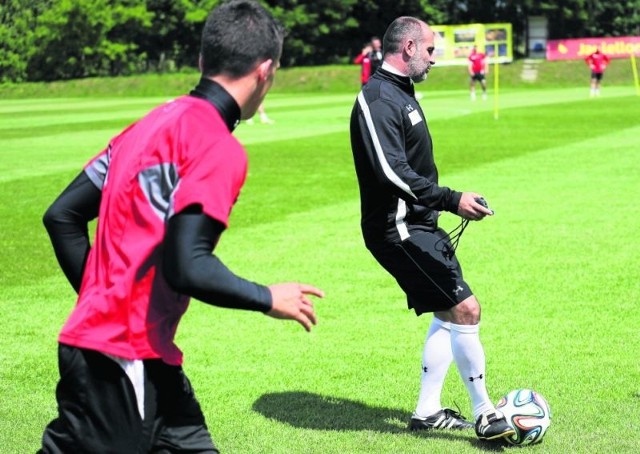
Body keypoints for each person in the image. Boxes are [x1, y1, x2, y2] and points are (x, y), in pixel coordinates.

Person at [39, 1, 323, 451]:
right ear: (266, 70)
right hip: (118, 359)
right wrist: (267, 297)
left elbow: (62, 216)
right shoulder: (217, 144)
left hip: (146, 358)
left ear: (201, 61)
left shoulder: (144, 126)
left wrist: (100, 296)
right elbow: (187, 264)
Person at [349, 16, 514, 442]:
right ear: (407, 48)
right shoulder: (378, 98)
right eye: (430, 50)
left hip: (419, 223)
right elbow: (391, 172)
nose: (434, 59)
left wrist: (444, 204)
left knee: (447, 311)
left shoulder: (401, 93)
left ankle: (426, 413)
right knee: (465, 309)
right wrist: (451, 198)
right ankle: (486, 413)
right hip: (397, 229)